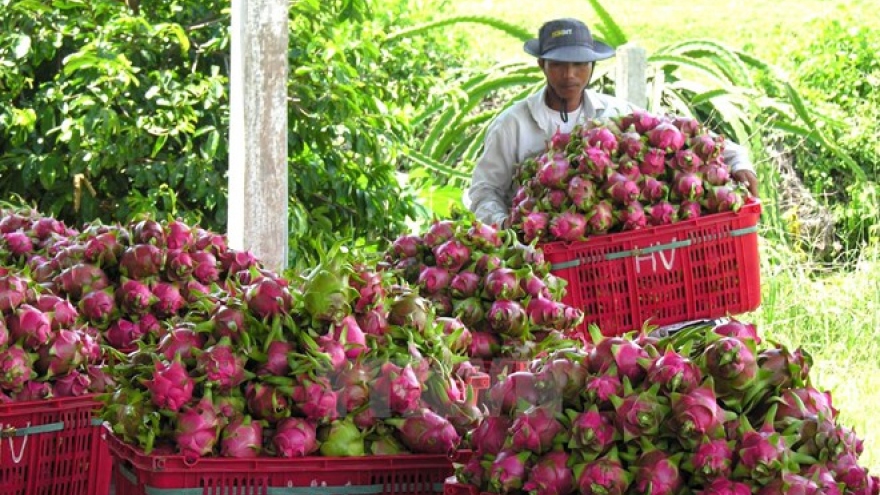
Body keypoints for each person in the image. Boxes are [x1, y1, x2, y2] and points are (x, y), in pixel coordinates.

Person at [465, 18, 759, 228]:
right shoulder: (512, 125)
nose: (570, 75)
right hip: (542, 253)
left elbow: (682, 135)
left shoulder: (616, 113)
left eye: (580, 64)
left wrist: (739, 161)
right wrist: (506, 226)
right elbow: (483, 190)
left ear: (592, 67)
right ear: (541, 65)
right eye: (558, 64)